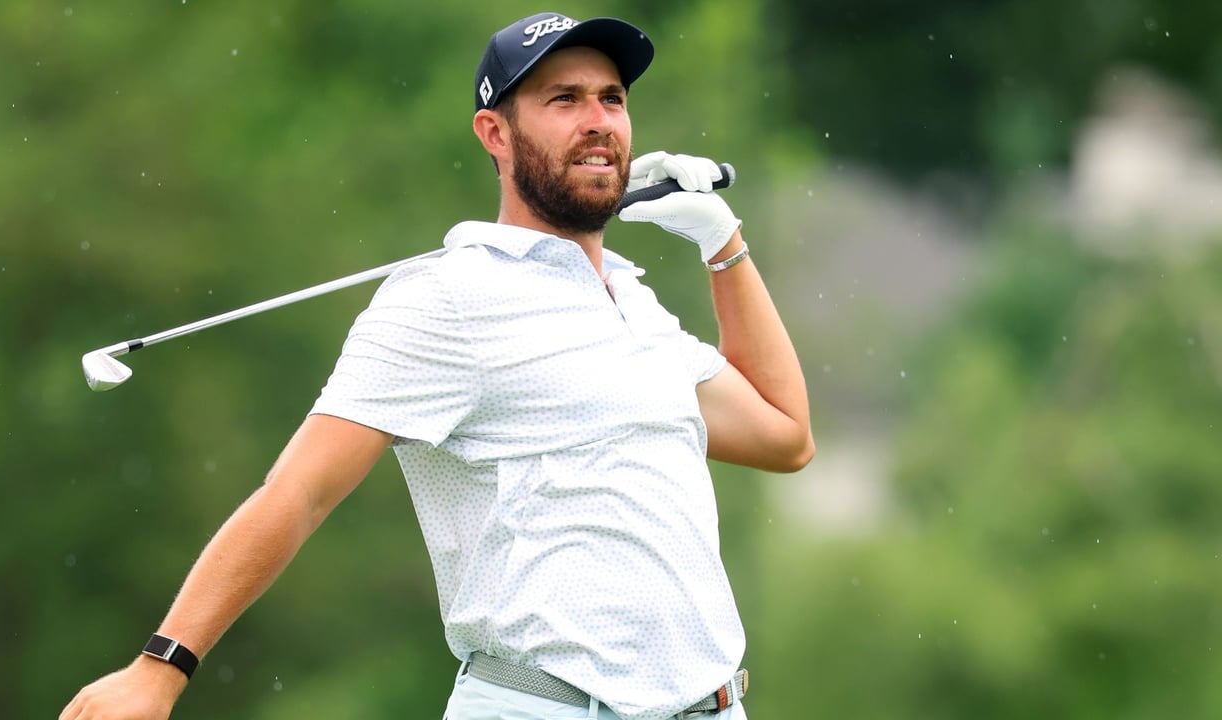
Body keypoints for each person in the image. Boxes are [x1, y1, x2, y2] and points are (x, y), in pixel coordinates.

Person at [59, 11, 813, 720]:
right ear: (495, 132)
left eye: (612, 99)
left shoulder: (632, 301)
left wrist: (723, 244)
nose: (598, 120)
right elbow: (299, 491)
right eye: (564, 100)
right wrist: (161, 667)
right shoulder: (447, 298)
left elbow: (785, 436)